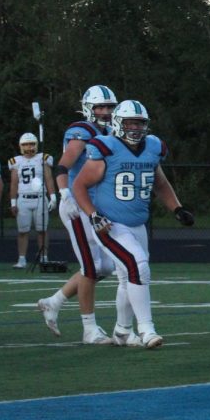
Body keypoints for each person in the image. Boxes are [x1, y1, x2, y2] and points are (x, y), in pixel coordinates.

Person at [72, 99, 194, 349]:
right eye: (129, 122)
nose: (135, 128)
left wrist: (177, 208)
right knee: (137, 265)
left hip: (137, 224)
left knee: (129, 277)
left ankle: (122, 331)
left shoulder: (152, 147)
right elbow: (79, 186)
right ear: (118, 123)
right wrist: (94, 215)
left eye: (139, 123)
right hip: (110, 224)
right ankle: (147, 329)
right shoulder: (106, 147)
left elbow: (159, 183)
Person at [37, 85, 120, 344]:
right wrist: (64, 194)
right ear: (88, 108)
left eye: (109, 107)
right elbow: (65, 162)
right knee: (90, 267)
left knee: (105, 265)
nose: (105, 112)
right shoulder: (82, 130)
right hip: (77, 204)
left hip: (97, 206)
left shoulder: (111, 131)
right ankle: (89, 329)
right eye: (100, 107)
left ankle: (54, 301)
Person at [8, 132, 56, 268]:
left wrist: (53, 197)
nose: (29, 146)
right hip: (23, 198)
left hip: (40, 198)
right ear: (21, 146)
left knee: (42, 230)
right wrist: (13, 202)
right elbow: (13, 183)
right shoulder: (15, 161)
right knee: (22, 230)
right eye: (25, 144)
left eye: (31, 143)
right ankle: (22, 259)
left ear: (36, 144)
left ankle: (43, 256)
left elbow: (48, 178)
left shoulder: (43, 158)